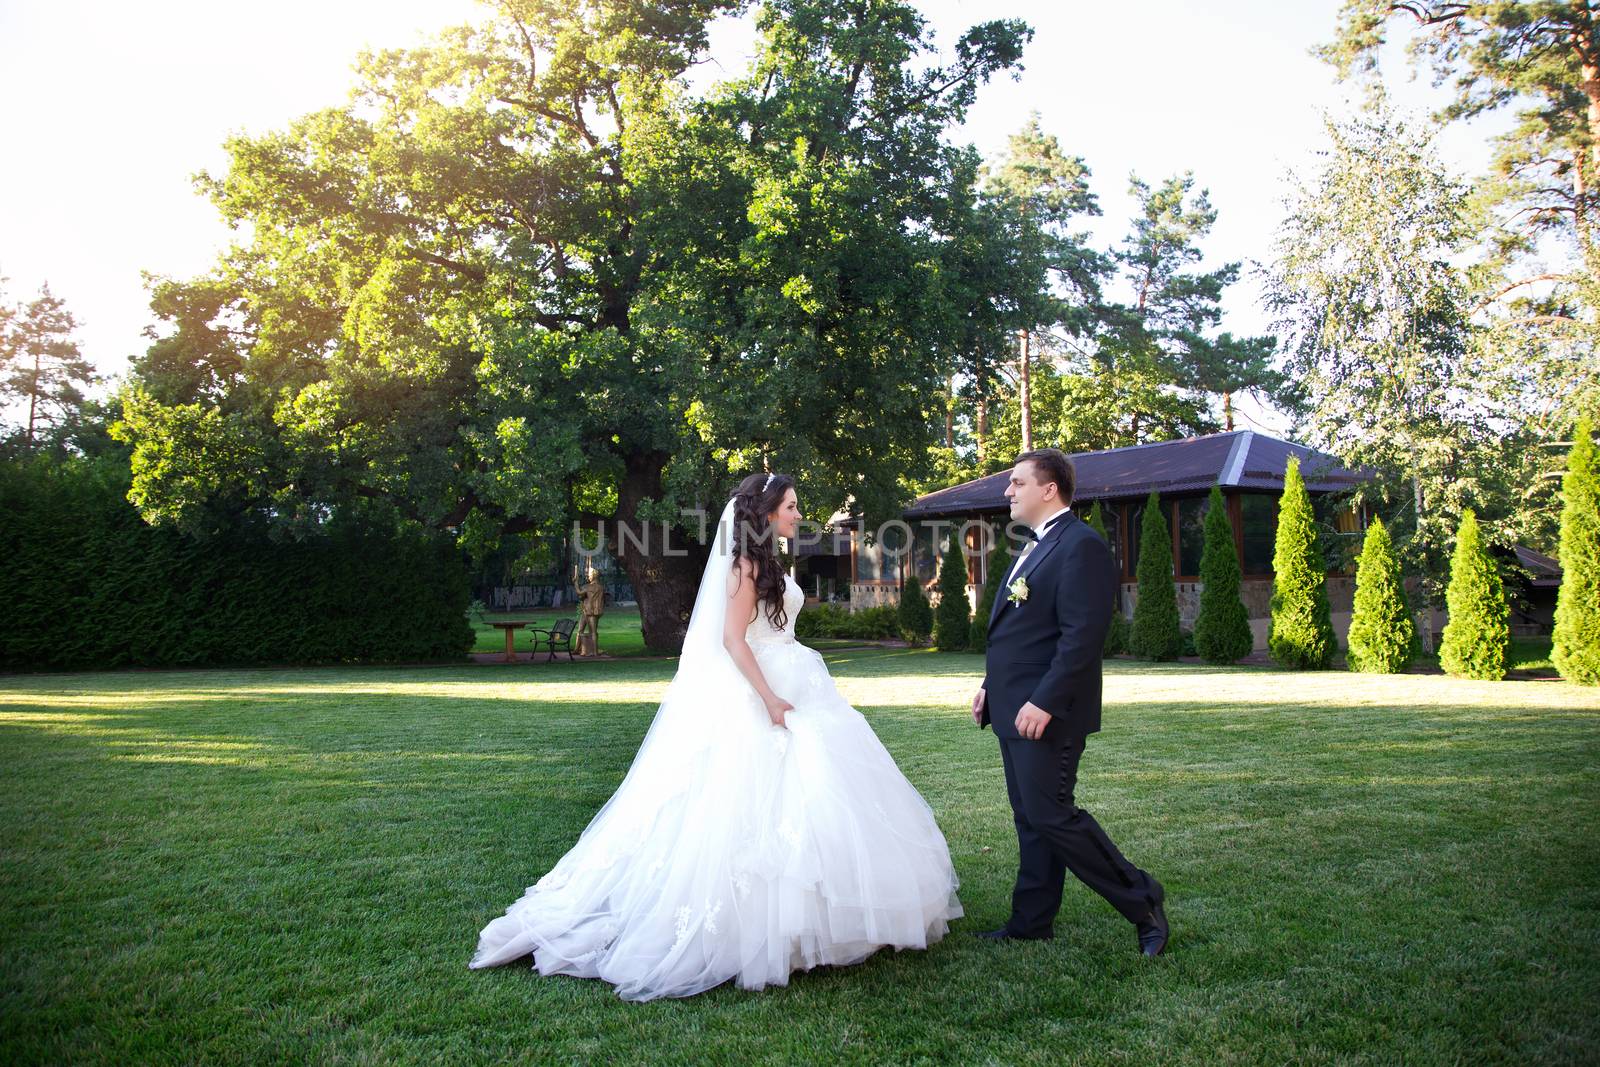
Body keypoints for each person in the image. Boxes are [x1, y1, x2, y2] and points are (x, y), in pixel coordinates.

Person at [469, 471, 963, 1000]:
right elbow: (732, 639)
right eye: (792, 506)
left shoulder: (769, 561)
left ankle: (823, 916)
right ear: (766, 512)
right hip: (760, 690)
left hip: (797, 679)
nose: (800, 514)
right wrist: (770, 698)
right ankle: (758, 925)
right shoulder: (744, 566)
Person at [970, 448, 1170, 956]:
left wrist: (1045, 701)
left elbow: (1082, 636)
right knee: (1030, 816)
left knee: (1053, 814)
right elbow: (1023, 631)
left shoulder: (1080, 545)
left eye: (1017, 483)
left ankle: (1143, 899)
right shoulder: (1033, 546)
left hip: (1047, 712)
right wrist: (991, 685)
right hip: (1012, 706)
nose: (1007, 491)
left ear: (1049, 489)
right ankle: (1031, 920)